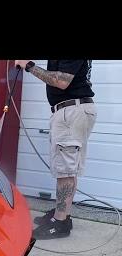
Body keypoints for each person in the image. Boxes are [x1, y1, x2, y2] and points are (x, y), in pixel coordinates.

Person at [15, 60, 97, 240]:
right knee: (67, 169)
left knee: (65, 170)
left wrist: (29, 66)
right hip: (72, 110)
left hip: (71, 112)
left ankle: (60, 223)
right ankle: (62, 215)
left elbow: (62, 81)